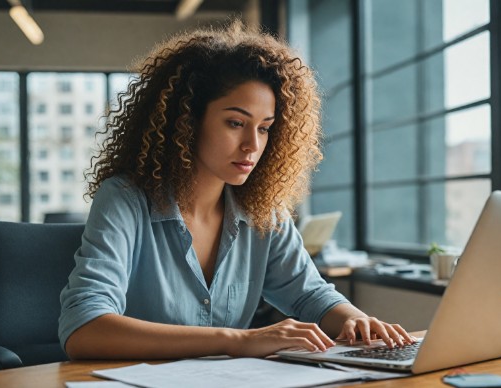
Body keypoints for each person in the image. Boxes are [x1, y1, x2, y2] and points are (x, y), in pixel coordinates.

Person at [58, 21, 414, 360]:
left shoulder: (263, 212)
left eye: (264, 128)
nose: (252, 145)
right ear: (187, 120)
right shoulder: (125, 198)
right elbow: (84, 330)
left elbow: (309, 293)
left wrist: (354, 318)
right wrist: (237, 340)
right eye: (235, 123)